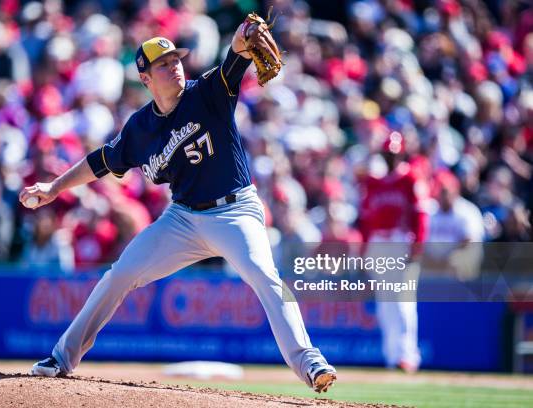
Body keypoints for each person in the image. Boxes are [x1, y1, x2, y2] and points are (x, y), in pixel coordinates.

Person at [19, 22, 336, 393]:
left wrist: (239, 42)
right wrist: (55, 187)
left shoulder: (208, 93)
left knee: (264, 276)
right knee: (120, 275)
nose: (175, 67)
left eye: (176, 59)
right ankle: (61, 357)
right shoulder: (140, 128)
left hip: (235, 211)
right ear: (145, 77)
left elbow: (235, 57)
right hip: (183, 219)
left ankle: (310, 361)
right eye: (164, 64)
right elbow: (101, 161)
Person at [358, 131, 429, 373]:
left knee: (403, 301)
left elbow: (421, 215)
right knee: (384, 303)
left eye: (394, 155)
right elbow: (366, 221)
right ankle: (391, 357)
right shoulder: (373, 182)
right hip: (379, 243)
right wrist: (364, 251)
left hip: (401, 241)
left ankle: (408, 356)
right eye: (388, 154)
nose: (391, 159)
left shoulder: (410, 179)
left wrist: (417, 246)